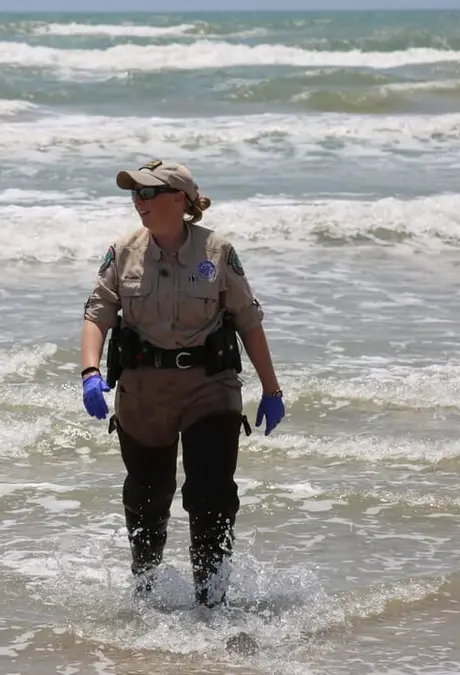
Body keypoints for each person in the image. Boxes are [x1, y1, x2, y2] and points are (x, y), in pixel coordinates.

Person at [79, 159, 285, 608]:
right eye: (135, 193)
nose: (139, 201)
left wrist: (272, 390)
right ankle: (147, 599)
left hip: (209, 390)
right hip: (143, 395)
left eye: (149, 193)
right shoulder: (122, 251)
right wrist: (90, 372)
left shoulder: (217, 251)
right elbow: (97, 313)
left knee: (211, 498)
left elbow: (248, 320)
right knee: (146, 500)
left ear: (180, 200)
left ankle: (211, 605)